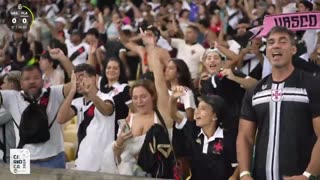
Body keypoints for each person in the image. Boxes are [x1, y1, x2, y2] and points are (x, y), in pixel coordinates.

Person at [237, 26, 320, 180]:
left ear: (293, 50)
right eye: (271, 42)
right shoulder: (254, 91)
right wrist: (244, 173)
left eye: (283, 42)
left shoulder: (313, 84)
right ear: (267, 50)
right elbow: (245, 136)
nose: (276, 45)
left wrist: (308, 174)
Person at [101, 32, 175, 178]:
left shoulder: (162, 115)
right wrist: (119, 143)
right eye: (135, 98)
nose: (139, 101)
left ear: (152, 96)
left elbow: (159, 80)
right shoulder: (130, 119)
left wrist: (151, 47)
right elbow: (117, 156)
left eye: (143, 97)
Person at [0, 64, 73, 168]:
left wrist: (62, 58)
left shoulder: (54, 93)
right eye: (27, 78)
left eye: (36, 78)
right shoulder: (11, 97)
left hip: (54, 157)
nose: (31, 81)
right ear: (21, 84)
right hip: (21, 157)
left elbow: (76, 83)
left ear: (43, 81)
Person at [169, 86, 239, 179]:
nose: (197, 112)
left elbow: (238, 165)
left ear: (214, 116)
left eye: (203, 109)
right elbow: (174, 114)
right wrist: (173, 98)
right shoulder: (193, 130)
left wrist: (234, 177)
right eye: (197, 107)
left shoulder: (228, 139)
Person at [57, 63, 115, 172]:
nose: (78, 82)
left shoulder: (107, 97)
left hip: (104, 166)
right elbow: (61, 119)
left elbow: (106, 110)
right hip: (83, 163)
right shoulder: (77, 102)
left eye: (81, 77)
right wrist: (72, 91)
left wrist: (91, 94)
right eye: (75, 79)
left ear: (94, 78)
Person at [97, 58, 132, 139]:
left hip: (117, 133)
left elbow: (134, 111)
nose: (111, 70)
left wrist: (126, 129)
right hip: (99, 132)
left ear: (121, 71)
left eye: (115, 68)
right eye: (108, 67)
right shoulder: (100, 89)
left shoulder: (125, 89)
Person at [0, 71, 21, 163]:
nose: (1, 86)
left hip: (12, 156)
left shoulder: (13, 101)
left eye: (4, 83)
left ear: (12, 86)